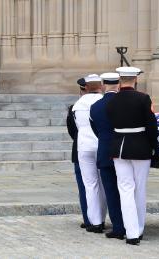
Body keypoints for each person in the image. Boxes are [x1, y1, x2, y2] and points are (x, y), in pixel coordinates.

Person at [106, 67, 158, 245]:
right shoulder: (143, 98)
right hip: (140, 147)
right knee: (139, 189)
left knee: (125, 190)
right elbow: (152, 126)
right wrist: (154, 147)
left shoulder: (112, 101)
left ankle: (131, 232)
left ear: (120, 80)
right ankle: (139, 229)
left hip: (119, 149)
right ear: (135, 79)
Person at [89, 73, 125, 239]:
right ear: (118, 84)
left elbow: (96, 130)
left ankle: (118, 226)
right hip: (124, 150)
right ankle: (131, 224)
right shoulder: (124, 103)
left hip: (105, 151)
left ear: (103, 85)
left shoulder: (95, 106)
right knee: (127, 189)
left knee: (110, 191)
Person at [72, 74, 107, 233]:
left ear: (86, 87)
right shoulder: (104, 102)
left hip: (84, 146)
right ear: (101, 86)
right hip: (101, 144)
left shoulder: (78, 104)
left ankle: (95, 221)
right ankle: (103, 216)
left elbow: (74, 128)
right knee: (104, 184)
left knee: (90, 184)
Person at [66, 78, 90, 229]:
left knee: (84, 187)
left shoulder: (74, 108)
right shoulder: (103, 105)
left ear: (81, 90)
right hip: (100, 150)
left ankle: (89, 219)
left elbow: (72, 131)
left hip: (80, 148)